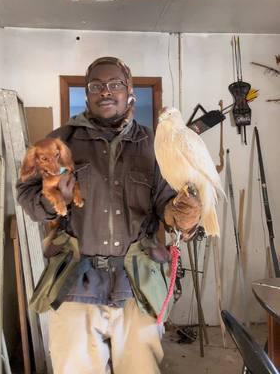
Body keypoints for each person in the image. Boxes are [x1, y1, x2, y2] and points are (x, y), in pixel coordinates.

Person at [17, 56, 201, 374]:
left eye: (115, 84)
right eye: (97, 86)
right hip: (76, 283)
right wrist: (52, 199)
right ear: (87, 94)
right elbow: (26, 196)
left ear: (129, 90)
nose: (106, 91)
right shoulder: (61, 142)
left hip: (137, 285)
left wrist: (179, 215)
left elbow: (166, 204)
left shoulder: (153, 145)